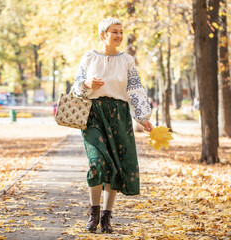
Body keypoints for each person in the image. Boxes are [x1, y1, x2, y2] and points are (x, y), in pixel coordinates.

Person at [72, 17, 153, 233]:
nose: (118, 35)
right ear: (103, 35)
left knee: (115, 166)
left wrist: (143, 117)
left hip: (119, 116)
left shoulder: (127, 60)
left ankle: (107, 217)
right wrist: (86, 84)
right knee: (97, 163)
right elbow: (75, 87)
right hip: (94, 114)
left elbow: (135, 90)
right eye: (114, 31)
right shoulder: (89, 57)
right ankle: (94, 213)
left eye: (121, 31)